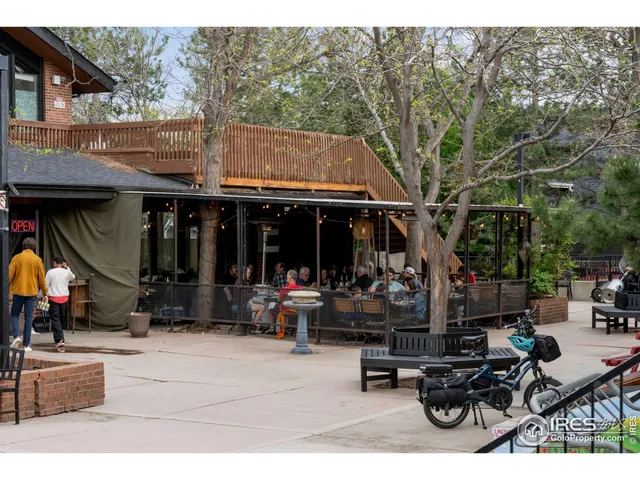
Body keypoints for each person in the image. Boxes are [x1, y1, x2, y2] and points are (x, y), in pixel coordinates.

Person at [9, 237, 48, 352]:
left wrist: (8, 288)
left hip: (18, 291)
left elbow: (9, 276)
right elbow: (41, 279)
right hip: (31, 293)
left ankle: (16, 337)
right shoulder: (37, 260)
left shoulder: (16, 258)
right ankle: (26, 345)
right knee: (28, 318)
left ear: (23, 246)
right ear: (33, 247)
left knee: (15, 314)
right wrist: (45, 293)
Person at [45, 255, 76, 348]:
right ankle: (59, 337)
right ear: (62, 263)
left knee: (55, 319)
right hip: (65, 298)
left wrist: (42, 295)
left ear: (54, 263)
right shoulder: (67, 272)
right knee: (60, 319)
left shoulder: (50, 272)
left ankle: (59, 339)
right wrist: (67, 268)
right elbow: (73, 277)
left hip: (53, 298)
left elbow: (45, 285)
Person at [233, 267, 265, 331]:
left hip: (240, 303)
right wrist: (255, 292)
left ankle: (253, 324)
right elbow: (246, 296)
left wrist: (253, 291)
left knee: (260, 304)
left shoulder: (240, 281)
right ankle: (253, 326)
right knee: (262, 307)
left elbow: (245, 294)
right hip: (239, 306)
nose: (249, 275)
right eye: (248, 273)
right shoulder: (240, 282)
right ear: (243, 274)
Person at [275, 270, 303, 339]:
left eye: (287, 277)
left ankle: (276, 329)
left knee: (273, 308)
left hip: (285, 310)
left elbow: (279, 299)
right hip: (297, 310)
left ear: (289, 278)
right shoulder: (300, 288)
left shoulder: (284, 289)